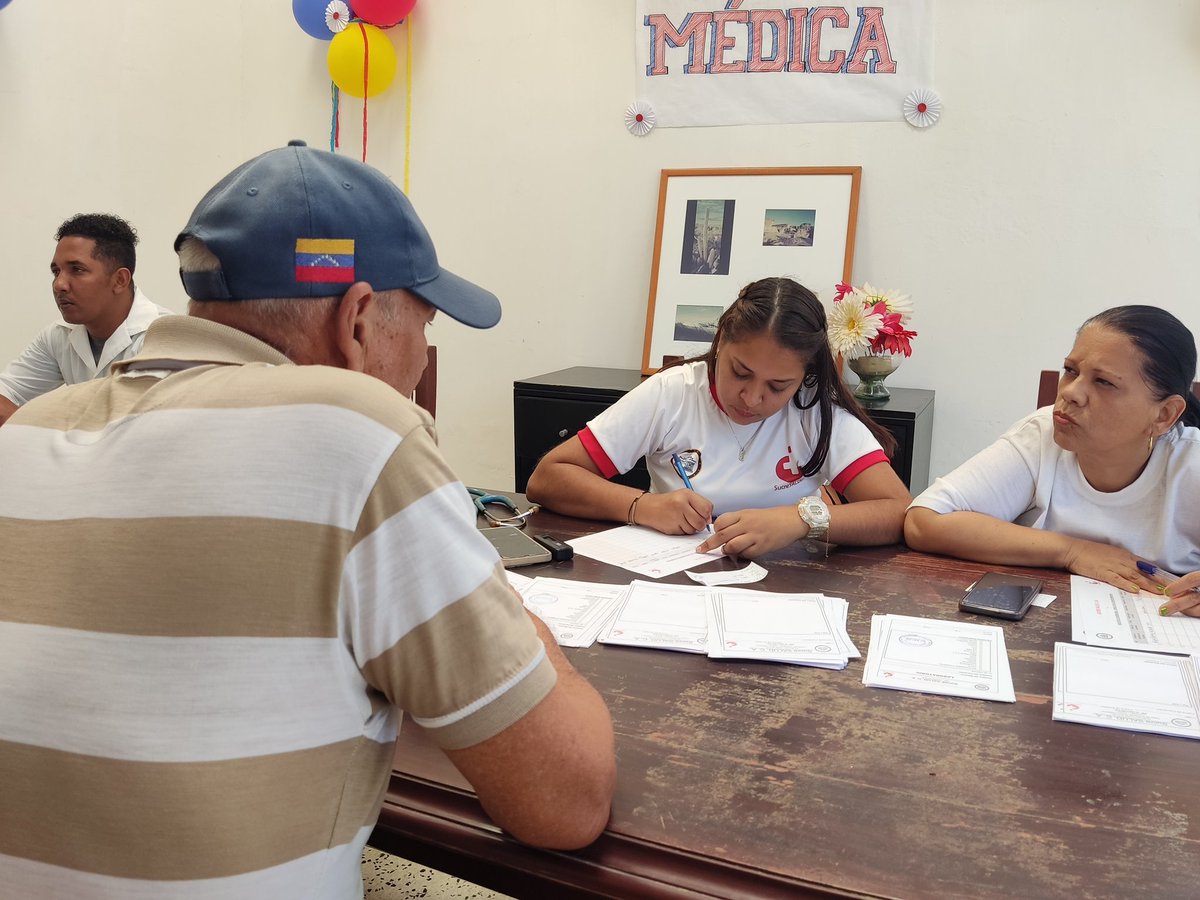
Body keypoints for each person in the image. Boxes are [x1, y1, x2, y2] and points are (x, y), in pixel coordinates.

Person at [0, 140, 615, 898]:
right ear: (357, 321)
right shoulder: (359, 427)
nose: (422, 358)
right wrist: (510, 618)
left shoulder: (27, 431)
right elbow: (565, 802)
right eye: (423, 325)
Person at [526, 277, 911, 558]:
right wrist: (640, 506)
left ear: (804, 376)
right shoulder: (672, 394)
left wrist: (801, 520)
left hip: (787, 584)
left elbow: (897, 511)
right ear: (720, 341)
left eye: (778, 386)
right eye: (739, 372)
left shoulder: (815, 412)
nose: (752, 398)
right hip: (673, 575)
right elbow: (548, 479)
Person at [905, 305, 1200, 613]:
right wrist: (1073, 551)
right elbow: (924, 521)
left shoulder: (1191, 465)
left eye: (1104, 382)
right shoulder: (1042, 435)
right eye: (1071, 370)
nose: (1071, 392)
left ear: (1164, 415)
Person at [0, 212, 173, 426]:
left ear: (120, 280)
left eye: (77, 270)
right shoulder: (59, 335)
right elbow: (7, 393)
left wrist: (32, 427)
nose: (59, 284)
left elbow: (135, 431)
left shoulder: (164, 339)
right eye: (56, 271)